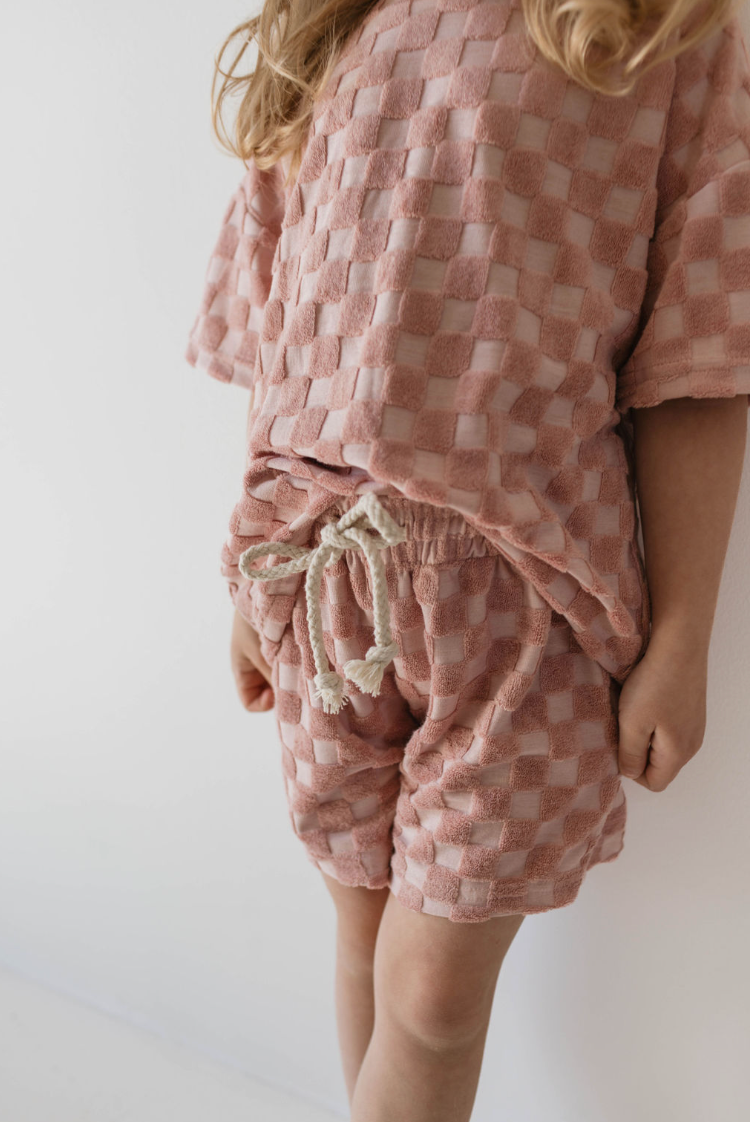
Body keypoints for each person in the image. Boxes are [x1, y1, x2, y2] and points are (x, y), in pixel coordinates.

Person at [185, 0, 750, 1117]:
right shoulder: (337, 23)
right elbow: (277, 332)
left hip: (528, 599)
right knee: (359, 926)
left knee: (435, 992)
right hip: (324, 583)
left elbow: (702, 349)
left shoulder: (666, 31)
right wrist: (250, 571)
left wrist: (684, 633)